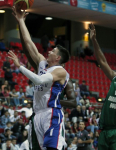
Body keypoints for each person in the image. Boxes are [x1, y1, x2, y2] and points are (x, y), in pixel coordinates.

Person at [12, 6, 72, 150]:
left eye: (53, 51)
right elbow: (28, 42)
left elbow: (38, 80)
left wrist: (19, 66)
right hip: (37, 114)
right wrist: (21, 21)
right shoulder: (43, 63)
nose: (49, 50)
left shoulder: (60, 71)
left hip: (51, 113)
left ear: (57, 58)